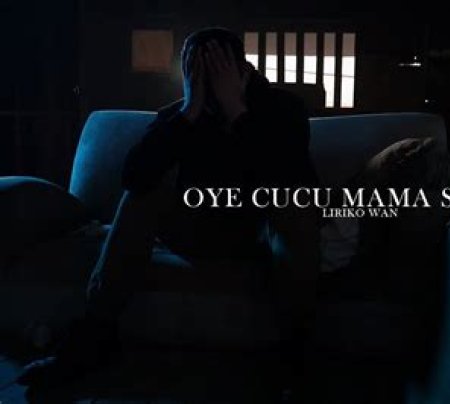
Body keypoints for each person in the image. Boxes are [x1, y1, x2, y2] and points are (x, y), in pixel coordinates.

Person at [17, 27, 321, 389]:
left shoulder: (283, 109)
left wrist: (237, 112)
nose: (209, 80)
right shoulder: (178, 116)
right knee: (146, 189)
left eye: (218, 69)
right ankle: (94, 336)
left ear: (243, 70)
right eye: (197, 70)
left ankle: (296, 350)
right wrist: (189, 112)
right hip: (196, 231)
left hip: (259, 236)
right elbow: (133, 178)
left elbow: (292, 181)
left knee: (293, 200)